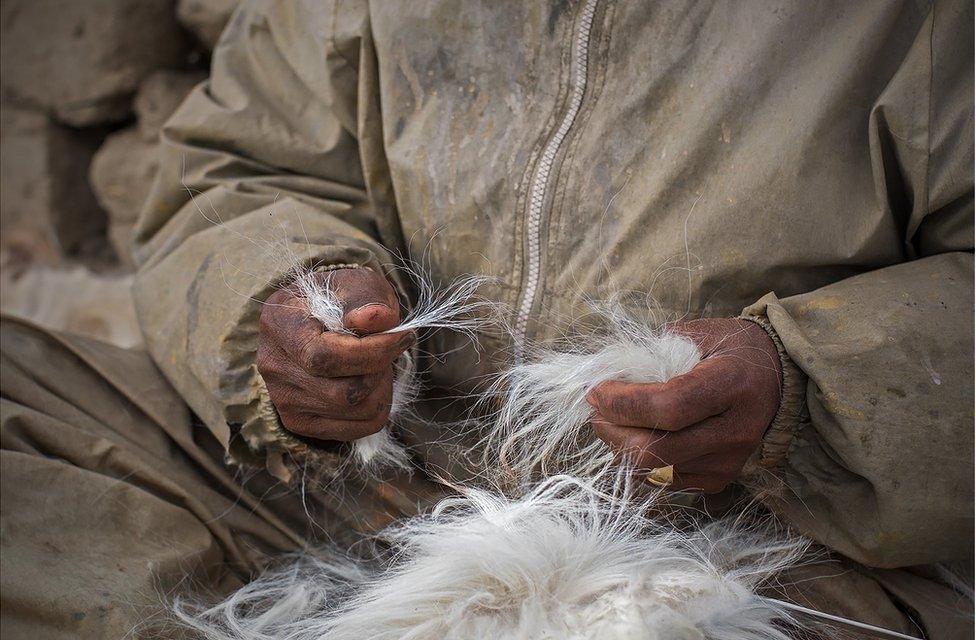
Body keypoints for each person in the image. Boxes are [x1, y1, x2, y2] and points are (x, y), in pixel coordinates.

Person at [2, 1, 972, 637]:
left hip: (744, 548)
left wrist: (805, 389)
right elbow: (241, 163)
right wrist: (288, 296)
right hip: (349, 486)